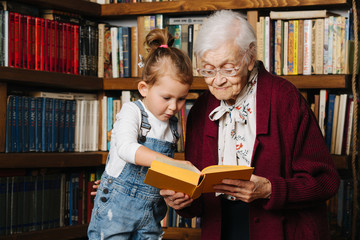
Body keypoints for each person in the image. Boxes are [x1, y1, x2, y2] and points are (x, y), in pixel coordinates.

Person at [160, 10, 340, 240]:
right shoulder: (200, 110)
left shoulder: (285, 98)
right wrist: (182, 201)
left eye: (228, 68)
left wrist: (269, 189)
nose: (218, 80)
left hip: (280, 231)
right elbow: (198, 202)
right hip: (221, 229)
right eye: (207, 69)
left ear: (250, 57)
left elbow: (326, 182)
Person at [87, 28, 193, 240]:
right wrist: (174, 164)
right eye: (166, 97)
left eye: (181, 99)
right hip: (116, 211)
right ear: (144, 88)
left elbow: (160, 174)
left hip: (151, 212)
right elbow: (126, 149)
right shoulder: (132, 111)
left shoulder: (174, 125)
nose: (174, 107)